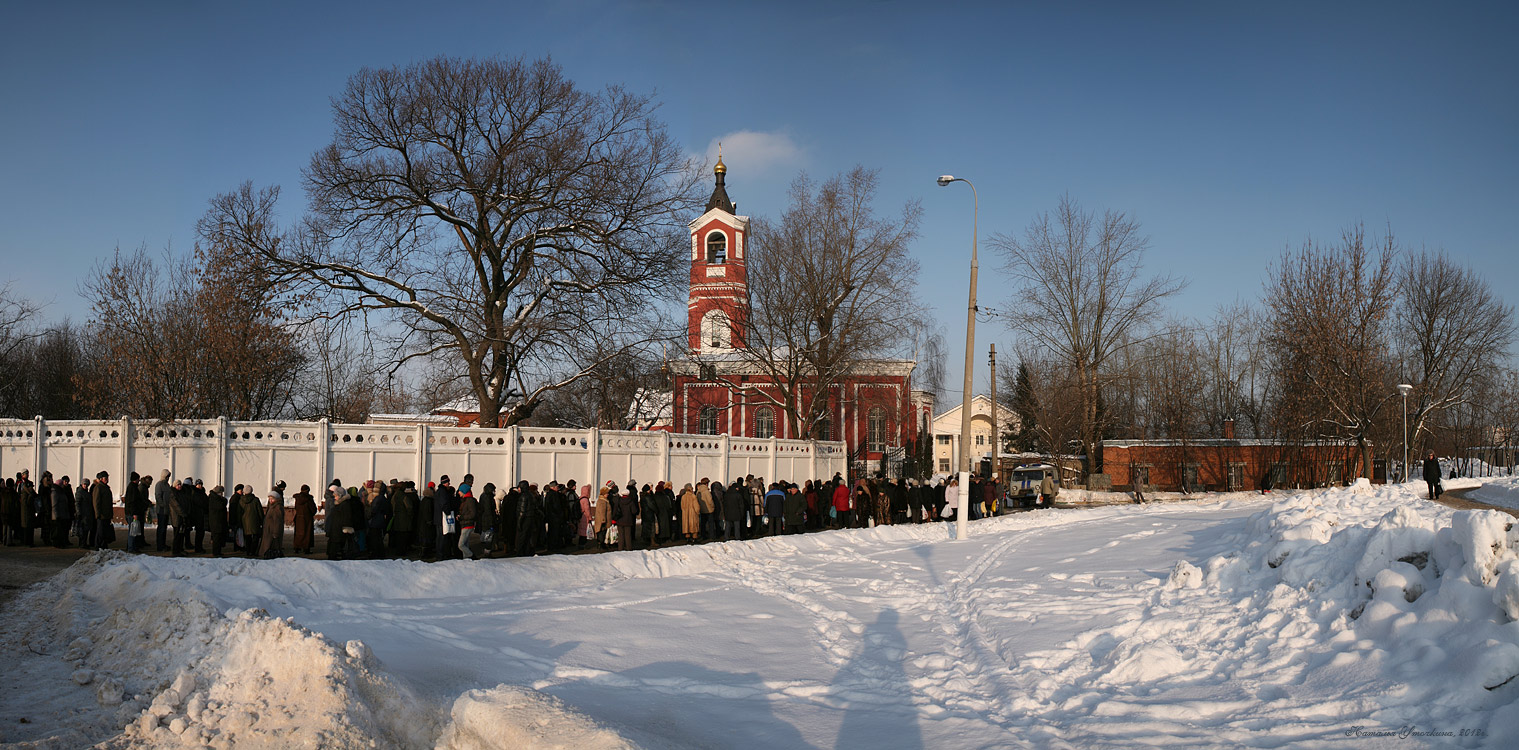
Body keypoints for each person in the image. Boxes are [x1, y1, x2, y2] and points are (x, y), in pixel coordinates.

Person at [291, 485, 317, 554]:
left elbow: (296, 508)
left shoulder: (298, 498)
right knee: (307, 533)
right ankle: (306, 548)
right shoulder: (309, 499)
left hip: (299, 517)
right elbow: (313, 509)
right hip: (307, 518)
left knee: (298, 533)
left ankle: (297, 547)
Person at [613, 482, 638, 551]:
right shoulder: (631, 501)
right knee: (628, 535)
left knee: (621, 535)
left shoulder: (618, 501)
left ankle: (620, 548)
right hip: (628, 520)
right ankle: (629, 548)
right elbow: (634, 511)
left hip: (620, 520)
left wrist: (614, 518)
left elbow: (615, 510)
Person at [259, 492, 284, 559]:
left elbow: (277, 521)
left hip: (272, 531)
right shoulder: (272, 506)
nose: (270, 500)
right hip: (269, 530)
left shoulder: (277, 507)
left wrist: (275, 532)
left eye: (272, 499)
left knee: (271, 546)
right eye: (269, 499)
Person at [457, 483, 479, 560]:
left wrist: (462, 517)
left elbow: (472, 514)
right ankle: (466, 560)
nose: (458, 492)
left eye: (460, 491)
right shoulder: (466, 500)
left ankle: (472, 556)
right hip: (465, 524)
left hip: (467, 525)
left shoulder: (469, 501)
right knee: (465, 545)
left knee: (461, 545)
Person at [206, 485, 229, 557]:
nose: (222, 494)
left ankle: (217, 552)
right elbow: (221, 506)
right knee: (216, 538)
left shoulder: (214, 498)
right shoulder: (214, 499)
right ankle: (216, 552)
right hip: (216, 522)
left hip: (217, 521)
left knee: (218, 538)